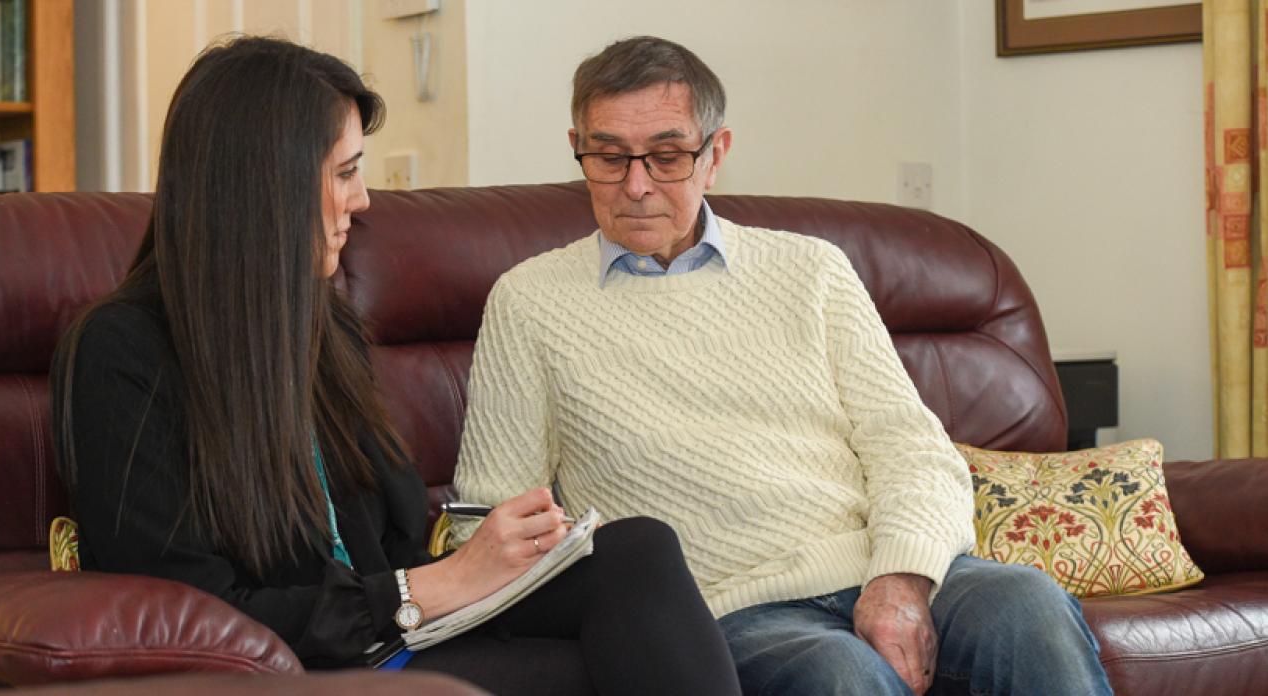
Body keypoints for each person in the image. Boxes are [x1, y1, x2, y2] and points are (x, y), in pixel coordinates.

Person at [50, 36, 740, 696]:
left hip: (399, 637)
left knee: (636, 553)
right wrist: (429, 588)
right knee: (611, 666)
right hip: (302, 669)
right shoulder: (122, 354)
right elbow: (192, 617)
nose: (363, 200)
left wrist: (500, 556)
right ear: (268, 184)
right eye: (345, 173)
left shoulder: (320, 329)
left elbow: (393, 550)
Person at [451, 35, 1114, 696]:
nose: (636, 185)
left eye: (667, 155)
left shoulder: (812, 268)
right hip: (729, 608)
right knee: (840, 675)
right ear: (579, 147)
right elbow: (491, 516)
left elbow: (912, 450)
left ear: (716, 155)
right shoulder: (528, 302)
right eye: (608, 157)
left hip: (876, 564)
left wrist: (899, 581)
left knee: (1030, 604)